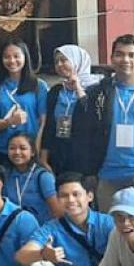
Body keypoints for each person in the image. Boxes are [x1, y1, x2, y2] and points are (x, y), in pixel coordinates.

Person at [74, 34, 134, 212]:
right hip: (107, 176)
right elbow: (83, 137)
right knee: (111, 231)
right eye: (119, 54)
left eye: (132, 55)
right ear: (112, 59)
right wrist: (88, 172)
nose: (125, 59)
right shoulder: (96, 94)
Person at [0, 39, 48, 163]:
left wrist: (37, 151)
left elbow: (43, 123)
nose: (12, 61)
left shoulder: (38, 86)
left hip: (29, 149)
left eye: (16, 56)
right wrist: (10, 122)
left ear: (25, 57)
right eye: (6, 57)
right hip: (3, 149)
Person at [40, 45, 97, 174]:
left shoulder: (95, 89)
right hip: (58, 155)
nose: (59, 65)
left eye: (64, 60)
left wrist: (78, 87)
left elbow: (91, 115)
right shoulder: (55, 91)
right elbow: (49, 127)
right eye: (56, 62)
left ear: (77, 61)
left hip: (85, 156)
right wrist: (44, 158)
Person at [4, 133, 60, 224]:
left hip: (41, 231)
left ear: (33, 152)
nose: (17, 152)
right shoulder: (6, 176)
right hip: (14, 231)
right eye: (12, 148)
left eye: (23, 148)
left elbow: (57, 212)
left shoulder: (43, 177)